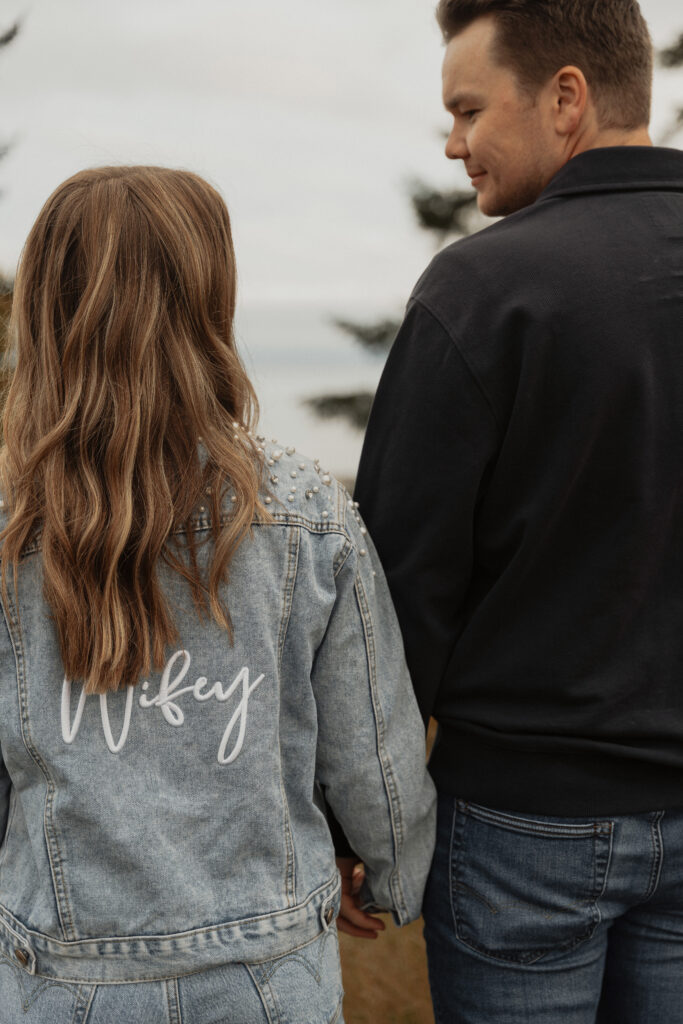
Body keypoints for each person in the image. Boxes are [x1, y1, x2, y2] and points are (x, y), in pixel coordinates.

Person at [0, 165, 436, 1024]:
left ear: (45, 310)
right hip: (269, 978)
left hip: (59, 978)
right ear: (209, 303)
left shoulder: (13, 524)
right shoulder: (306, 513)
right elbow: (374, 763)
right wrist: (388, 871)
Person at [354, 1, 683, 1021]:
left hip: (521, 825)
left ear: (566, 98)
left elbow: (391, 593)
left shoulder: (481, 287)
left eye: (465, 109)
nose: (452, 143)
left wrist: (356, 818)